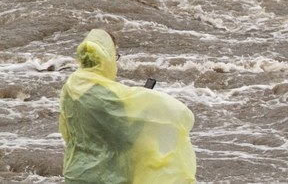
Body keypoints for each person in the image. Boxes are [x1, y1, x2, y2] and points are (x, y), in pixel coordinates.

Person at [59, 29, 196, 184]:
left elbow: (67, 132)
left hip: (75, 171)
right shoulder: (108, 95)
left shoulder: (70, 86)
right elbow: (127, 139)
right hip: (104, 176)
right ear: (106, 57)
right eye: (114, 56)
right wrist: (144, 114)